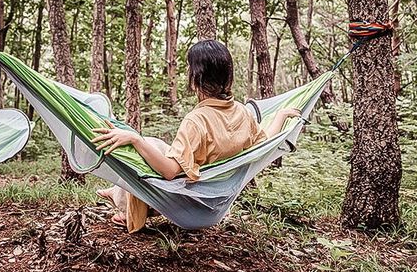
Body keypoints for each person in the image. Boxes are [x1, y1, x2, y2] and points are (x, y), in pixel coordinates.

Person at [92, 39, 300, 232]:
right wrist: (280, 116)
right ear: (228, 75)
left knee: (144, 149)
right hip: (214, 202)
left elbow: (170, 172)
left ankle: (122, 202)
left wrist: (134, 138)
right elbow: (264, 143)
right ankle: (115, 191)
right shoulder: (243, 113)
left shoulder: (197, 121)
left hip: (189, 200)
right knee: (155, 144)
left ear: (195, 78)